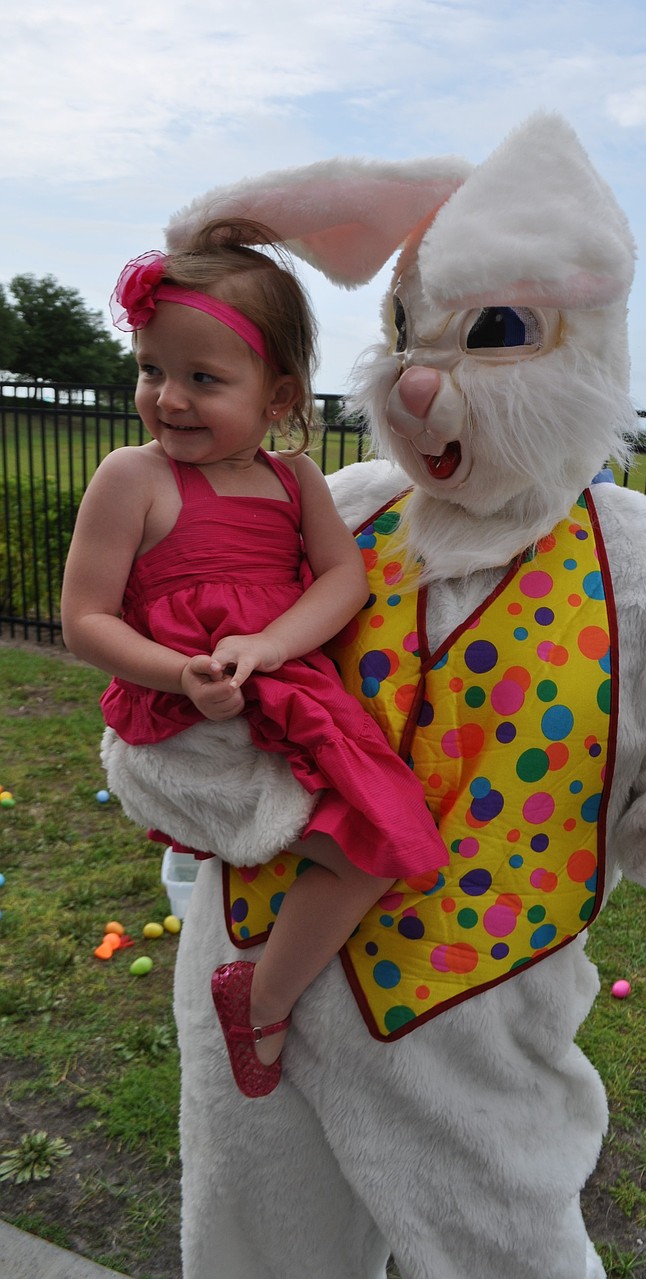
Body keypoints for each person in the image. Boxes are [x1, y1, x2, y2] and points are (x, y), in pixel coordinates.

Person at [60, 219, 447, 1098]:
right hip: (180, 709)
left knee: (383, 833)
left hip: (284, 689)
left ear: (279, 397)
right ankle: (255, 990)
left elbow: (344, 580)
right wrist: (179, 672)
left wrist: (270, 643)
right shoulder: (134, 478)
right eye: (151, 370)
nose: (169, 398)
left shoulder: (294, 482)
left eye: (203, 378)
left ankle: (260, 995)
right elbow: (84, 620)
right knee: (342, 838)